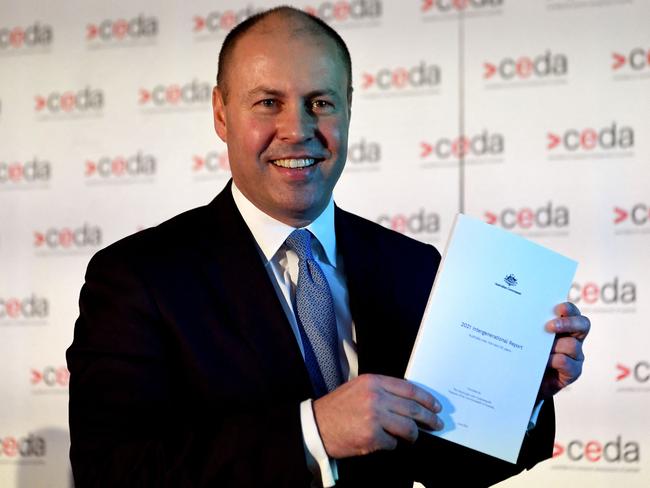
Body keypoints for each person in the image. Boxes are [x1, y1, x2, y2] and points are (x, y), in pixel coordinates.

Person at [67, 6, 590, 487]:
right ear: (221, 114)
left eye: (320, 103)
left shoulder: (411, 266)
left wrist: (520, 393)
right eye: (268, 102)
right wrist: (310, 433)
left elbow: (445, 465)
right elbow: (110, 470)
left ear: (348, 111)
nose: (297, 129)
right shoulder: (137, 277)